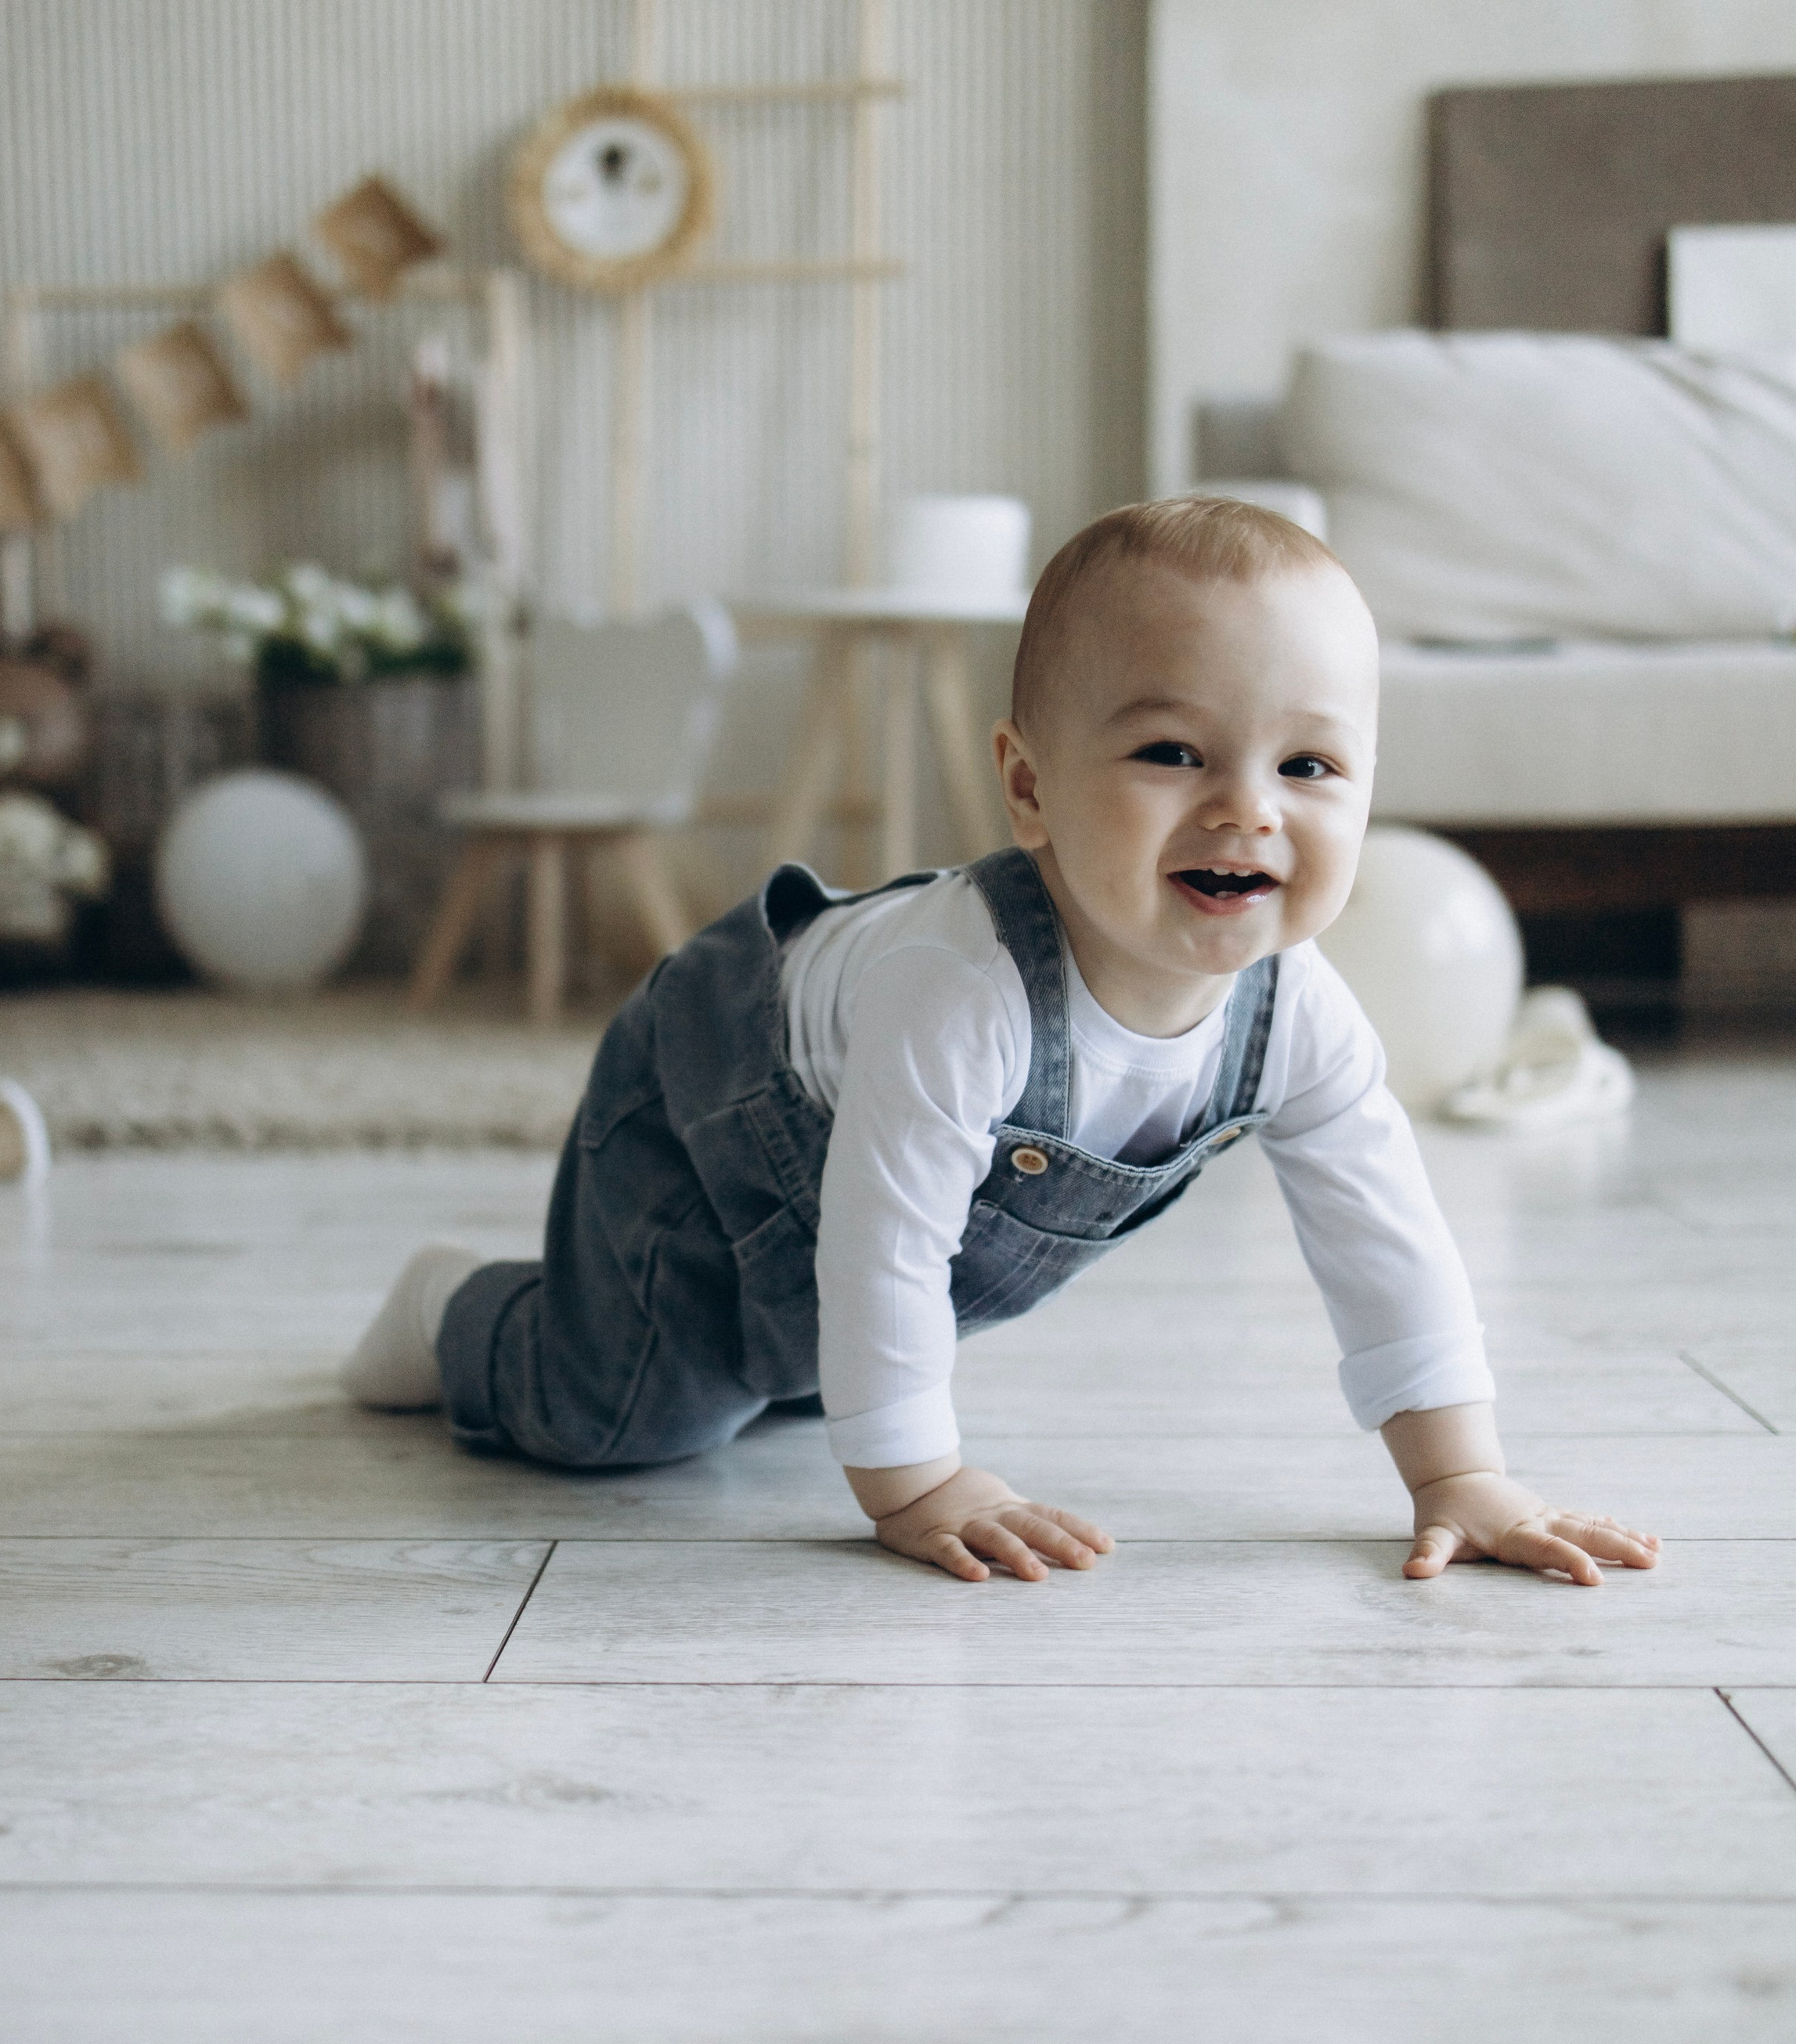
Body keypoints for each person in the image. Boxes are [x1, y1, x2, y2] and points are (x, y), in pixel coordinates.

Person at [344, 496, 1661, 1592]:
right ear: (1028, 787)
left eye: (1309, 768)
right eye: (1171, 751)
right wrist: (916, 1482)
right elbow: (884, 1233)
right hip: (723, 1089)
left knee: (805, 1370)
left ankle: (796, 1368)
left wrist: (1460, 1472)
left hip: (865, 1167)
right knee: (629, 1409)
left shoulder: (1299, 1014)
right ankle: (452, 1309)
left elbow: (1388, 1240)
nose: (1245, 811)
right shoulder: (961, 987)